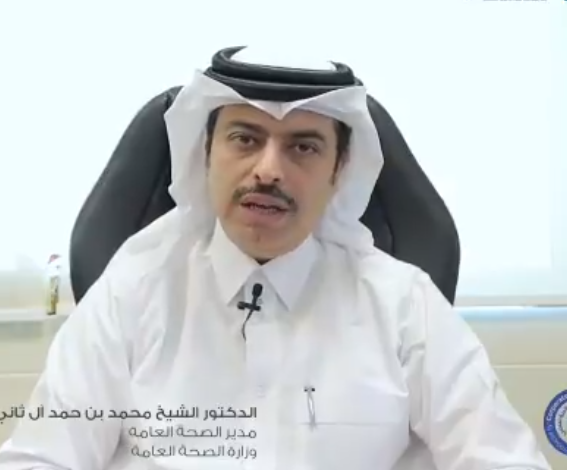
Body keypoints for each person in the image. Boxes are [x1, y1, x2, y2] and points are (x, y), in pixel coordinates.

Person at [0, 46, 551, 470]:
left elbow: (500, 458)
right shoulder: (131, 291)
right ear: (206, 154)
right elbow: (43, 456)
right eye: (245, 138)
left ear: (339, 172)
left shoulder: (406, 305)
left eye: (303, 147)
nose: (268, 170)